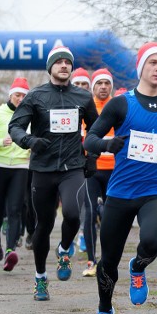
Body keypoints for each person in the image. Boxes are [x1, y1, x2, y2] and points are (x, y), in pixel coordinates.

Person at [84, 41, 157, 314]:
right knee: (108, 261)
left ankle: (138, 267)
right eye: (152, 63)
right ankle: (105, 311)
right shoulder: (122, 104)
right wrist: (107, 144)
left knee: (153, 240)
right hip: (120, 192)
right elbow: (90, 139)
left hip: (155, 189)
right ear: (141, 67)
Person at [8, 45, 99, 299]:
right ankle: (40, 279)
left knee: (72, 213)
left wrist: (92, 157)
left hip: (72, 167)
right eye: (58, 62)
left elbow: (95, 130)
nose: (63, 65)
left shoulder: (82, 97)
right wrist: (29, 141)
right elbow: (15, 126)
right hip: (43, 169)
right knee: (43, 226)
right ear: (50, 67)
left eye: (67, 62)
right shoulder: (36, 96)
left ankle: (64, 250)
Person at [0, 77, 31, 271]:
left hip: (20, 167)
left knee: (16, 210)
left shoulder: (30, 115)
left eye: (24, 96)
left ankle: (10, 251)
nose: (20, 98)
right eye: (17, 95)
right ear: (10, 94)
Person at [82, 68, 115, 277]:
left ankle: (109, 260)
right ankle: (91, 261)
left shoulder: (118, 106)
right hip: (91, 168)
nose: (103, 87)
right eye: (99, 83)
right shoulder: (86, 106)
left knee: (112, 216)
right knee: (90, 213)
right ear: (93, 86)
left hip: (114, 169)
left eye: (107, 83)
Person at [71, 67, 92, 253]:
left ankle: (84, 234)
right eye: (77, 84)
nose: (81, 87)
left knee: (87, 201)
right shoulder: (67, 104)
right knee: (73, 202)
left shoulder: (92, 106)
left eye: (84, 84)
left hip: (92, 162)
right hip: (71, 161)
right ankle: (69, 235)